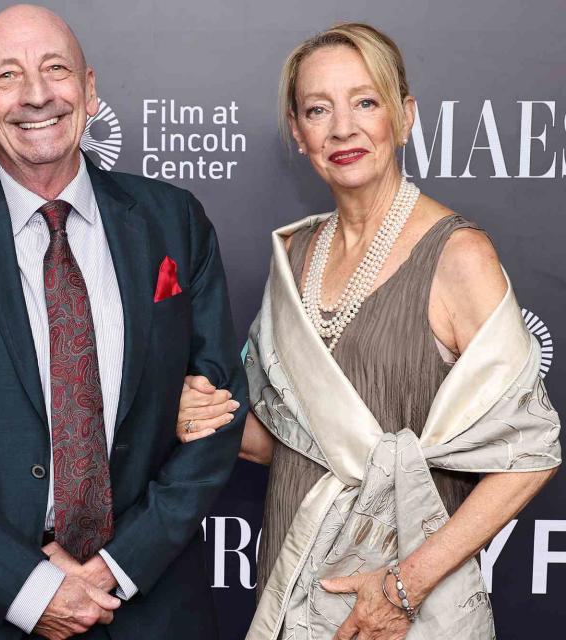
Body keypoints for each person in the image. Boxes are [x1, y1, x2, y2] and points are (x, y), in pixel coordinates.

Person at [176, 22, 560, 640]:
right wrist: (202, 412)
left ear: (403, 116)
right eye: (318, 110)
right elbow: (291, 441)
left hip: (401, 606)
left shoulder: (458, 256)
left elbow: (532, 451)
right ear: (299, 135)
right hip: (292, 584)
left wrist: (403, 587)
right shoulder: (294, 255)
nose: (343, 128)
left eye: (365, 101)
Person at [0, 4, 247, 639]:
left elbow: (215, 411)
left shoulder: (174, 220)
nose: (38, 95)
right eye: (7, 77)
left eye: (56, 70)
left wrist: (114, 566)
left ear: (91, 89)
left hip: (149, 602)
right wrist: (26, 586)